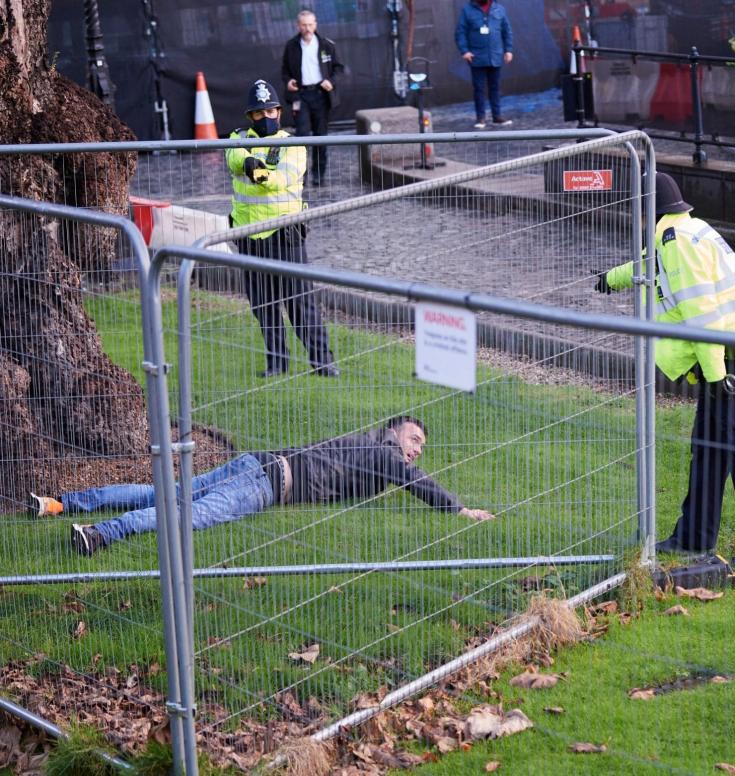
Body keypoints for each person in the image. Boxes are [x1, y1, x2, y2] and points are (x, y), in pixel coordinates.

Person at [593, 172, 735, 567]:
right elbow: (652, 270)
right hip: (729, 352)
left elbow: (703, 313)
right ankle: (693, 536)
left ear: (648, 211)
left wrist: (717, 374)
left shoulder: (677, 243)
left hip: (730, 355)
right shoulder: (685, 232)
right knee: (708, 448)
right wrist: (613, 279)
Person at [30, 417, 495, 556]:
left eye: (421, 447)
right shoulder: (382, 452)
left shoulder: (367, 447)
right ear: (395, 431)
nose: (416, 450)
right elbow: (412, 480)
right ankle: (100, 533)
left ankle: (57, 504)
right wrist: (458, 510)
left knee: (166, 492)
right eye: (415, 439)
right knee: (186, 514)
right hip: (268, 483)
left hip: (258, 463)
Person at [226, 79, 339, 379]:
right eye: (260, 114)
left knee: (301, 304)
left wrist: (258, 171)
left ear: (279, 111)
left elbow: (279, 180)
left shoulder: (293, 144)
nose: (266, 118)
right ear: (251, 116)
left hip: (285, 236)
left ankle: (323, 362)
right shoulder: (238, 141)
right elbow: (233, 156)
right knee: (264, 307)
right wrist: (248, 160)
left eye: (271, 112)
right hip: (249, 237)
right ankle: (277, 364)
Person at [281, 9, 343, 186]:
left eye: (310, 24)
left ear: (315, 25)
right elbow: (284, 70)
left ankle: (319, 174)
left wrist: (331, 81)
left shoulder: (326, 45)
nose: (307, 28)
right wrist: (288, 81)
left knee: (320, 136)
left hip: (321, 95)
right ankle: (301, 173)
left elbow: (339, 68)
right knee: (301, 136)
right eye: (304, 25)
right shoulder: (291, 46)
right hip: (301, 95)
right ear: (298, 26)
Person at [455, 0, 514, 130]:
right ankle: (480, 117)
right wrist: (465, 51)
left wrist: (508, 50)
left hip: (495, 55)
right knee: (479, 88)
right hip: (476, 57)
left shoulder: (499, 9)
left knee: (495, 87)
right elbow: (460, 32)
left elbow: (507, 31)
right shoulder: (467, 10)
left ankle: (497, 116)